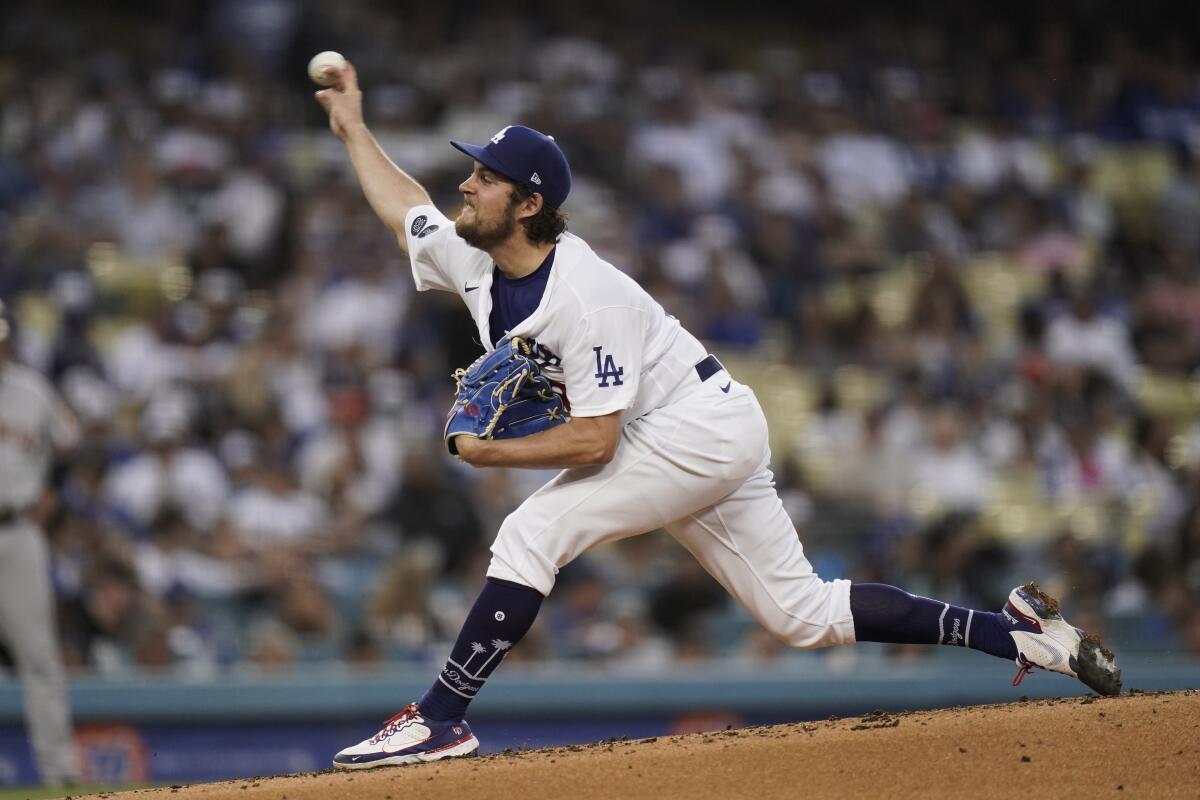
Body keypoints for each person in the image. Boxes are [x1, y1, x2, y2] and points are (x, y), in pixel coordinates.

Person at [314, 63, 1121, 770]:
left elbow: (595, 443)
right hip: (695, 425)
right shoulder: (477, 254)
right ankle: (1015, 634)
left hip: (691, 428)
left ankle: (440, 718)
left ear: (528, 204)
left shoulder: (581, 295)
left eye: (485, 177)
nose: (467, 184)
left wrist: (488, 456)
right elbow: (405, 208)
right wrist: (353, 127)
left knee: (532, 533)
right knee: (800, 614)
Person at [0, 302, 82, 785]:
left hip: (18, 530)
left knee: (40, 658)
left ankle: (61, 773)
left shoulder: (32, 391)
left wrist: (53, 493)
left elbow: (72, 447)